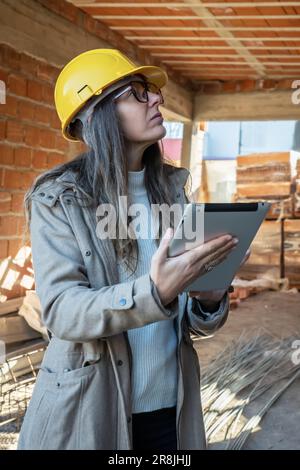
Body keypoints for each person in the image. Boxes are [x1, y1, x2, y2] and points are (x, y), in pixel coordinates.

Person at [18, 49, 249, 450]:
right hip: (92, 411)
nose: (157, 98)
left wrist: (209, 299)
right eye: (138, 92)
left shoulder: (176, 193)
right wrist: (153, 293)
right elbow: (62, 311)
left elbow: (192, 325)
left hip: (169, 411)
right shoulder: (59, 200)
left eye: (153, 91)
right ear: (97, 115)